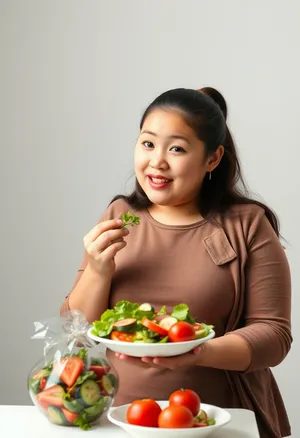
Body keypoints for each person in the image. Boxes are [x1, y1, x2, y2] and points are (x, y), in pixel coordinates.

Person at [60, 87, 292, 438]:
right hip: (119, 419)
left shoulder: (246, 224)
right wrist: (97, 270)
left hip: (219, 418)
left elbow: (274, 335)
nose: (157, 162)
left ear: (212, 159)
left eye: (177, 149)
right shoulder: (120, 217)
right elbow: (77, 334)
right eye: (148, 144)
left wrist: (198, 352)